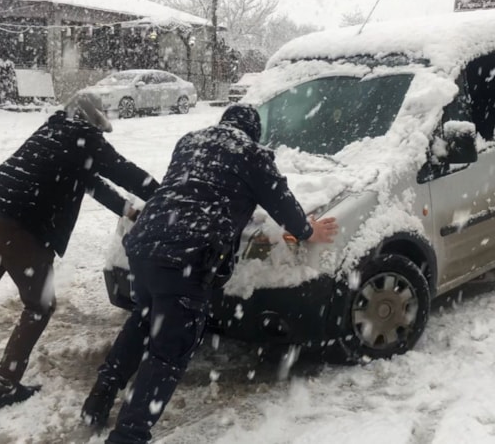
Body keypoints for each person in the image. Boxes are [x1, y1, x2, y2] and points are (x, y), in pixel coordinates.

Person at [81, 104, 339, 443]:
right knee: (168, 352)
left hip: (145, 244)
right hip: (186, 256)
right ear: (253, 131)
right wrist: (308, 231)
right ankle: (129, 436)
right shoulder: (251, 153)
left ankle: (98, 401)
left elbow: (194, 189)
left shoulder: (191, 142)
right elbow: (281, 203)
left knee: (143, 321)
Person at [0, 92, 160, 409]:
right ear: (94, 122)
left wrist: (131, 212)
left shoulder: (52, 131)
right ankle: (4, 385)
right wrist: (165, 194)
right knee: (40, 305)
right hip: (20, 227)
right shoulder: (85, 139)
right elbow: (125, 172)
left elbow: (91, 183)